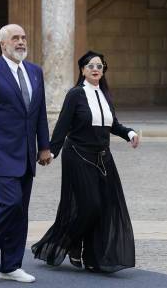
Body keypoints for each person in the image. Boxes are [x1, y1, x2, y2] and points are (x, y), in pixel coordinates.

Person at [31, 50, 140, 273]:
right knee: (90, 205)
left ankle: (92, 256)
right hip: (78, 155)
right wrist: (51, 152)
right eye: (90, 66)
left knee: (104, 207)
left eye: (99, 66)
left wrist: (129, 133)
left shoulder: (105, 95)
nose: (95, 69)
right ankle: (68, 242)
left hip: (103, 158)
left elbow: (112, 124)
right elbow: (62, 125)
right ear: (82, 70)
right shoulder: (75, 95)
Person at [0, 24, 53, 283]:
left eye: (23, 38)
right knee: (11, 204)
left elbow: (39, 113)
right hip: (0, 153)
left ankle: (11, 265)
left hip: (27, 154)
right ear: (3, 44)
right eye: (15, 38)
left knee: (21, 210)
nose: (20, 42)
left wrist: (44, 146)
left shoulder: (35, 72)